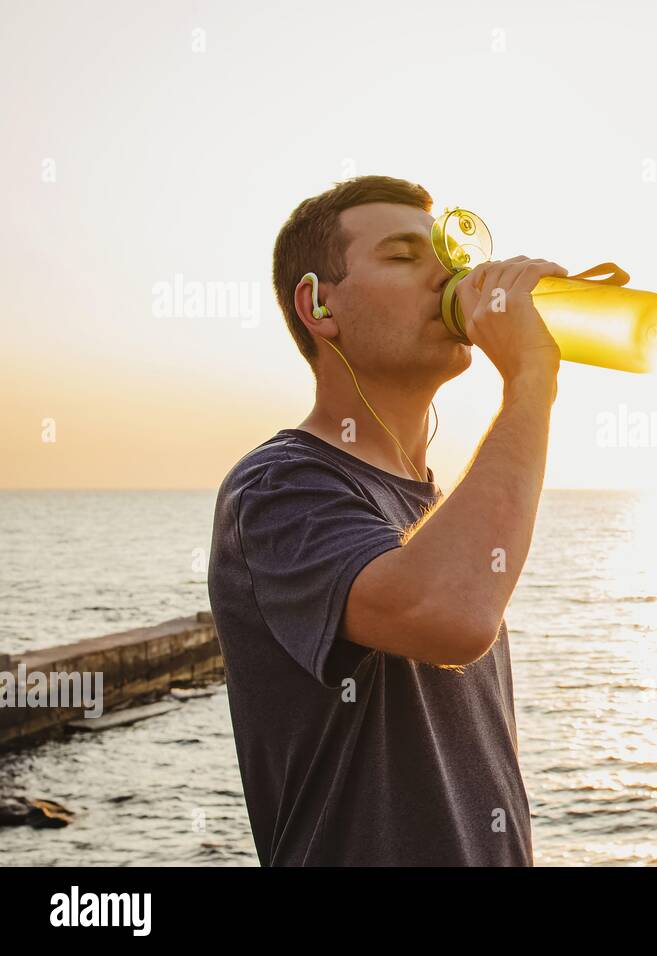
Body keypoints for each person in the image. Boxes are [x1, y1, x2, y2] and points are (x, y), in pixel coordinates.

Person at [206, 175, 566, 865]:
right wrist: (530, 380)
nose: (449, 275)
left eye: (450, 256)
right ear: (319, 305)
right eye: (405, 256)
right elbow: (452, 615)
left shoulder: (431, 513)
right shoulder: (279, 486)